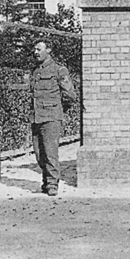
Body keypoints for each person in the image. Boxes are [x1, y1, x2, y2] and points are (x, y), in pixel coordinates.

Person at [29, 40, 77, 196]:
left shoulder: (59, 70)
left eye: (39, 49)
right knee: (39, 153)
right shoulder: (35, 71)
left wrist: (58, 109)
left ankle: (52, 184)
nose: (35, 52)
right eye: (34, 49)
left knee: (50, 153)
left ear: (48, 50)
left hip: (51, 118)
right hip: (36, 117)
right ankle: (46, 180)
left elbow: (70, 95)